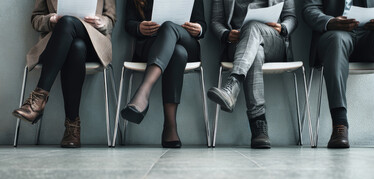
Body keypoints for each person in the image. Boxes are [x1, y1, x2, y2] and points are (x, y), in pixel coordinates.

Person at [12, 0, 116, 148]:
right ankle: (72, 126)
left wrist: (101, 22)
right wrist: (52, 19)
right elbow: (36, 20)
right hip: (59, 43)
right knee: (76, 47)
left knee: (67, 22)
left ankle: (38, 99)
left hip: (94, 42)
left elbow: (111, 19)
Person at [302, 0, 374, 149]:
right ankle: (340, 125)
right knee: (336, 40)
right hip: (335, 33)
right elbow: (309, 8)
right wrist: (329, 21)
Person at [208, 0, 297, 149]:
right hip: (238, 43)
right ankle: (259, 127)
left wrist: (283, 27)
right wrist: (226, 34)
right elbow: (216, 21)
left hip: (273, 39)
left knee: (252, 27)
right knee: (255, 53)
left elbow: (291, 17)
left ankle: (233, 84)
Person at [121, 0, 206, 148]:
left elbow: (202, 24)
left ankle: (143, 92)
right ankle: (170, 127)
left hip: (186, 40)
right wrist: (139, 27)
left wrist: (198, 29)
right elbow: (129, 23)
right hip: (152, 45)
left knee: (168, 26)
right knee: (178, 53)